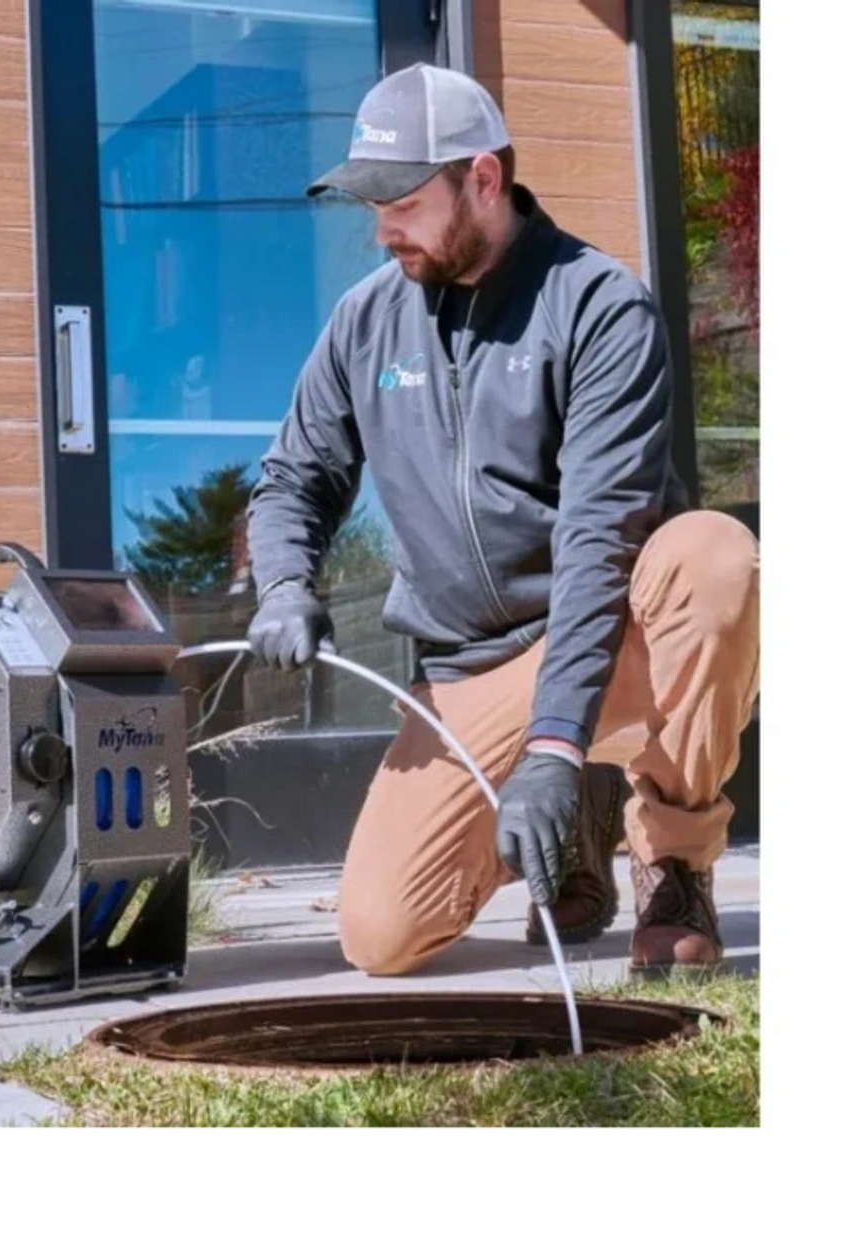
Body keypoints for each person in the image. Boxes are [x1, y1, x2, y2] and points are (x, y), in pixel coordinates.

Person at [243, 63, 759, 977]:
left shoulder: (597, 307)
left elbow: (604, 538)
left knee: (712, 558)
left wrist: (556, 745)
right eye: (370, 202)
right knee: (383, 936)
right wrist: (284, 581)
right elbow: (294, 477)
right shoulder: (364, 324)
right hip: (472, 669)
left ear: (482, 179)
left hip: (605, 628)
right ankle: (579, 825)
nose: (381, 226)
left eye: (400, 198)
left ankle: (674, 863)